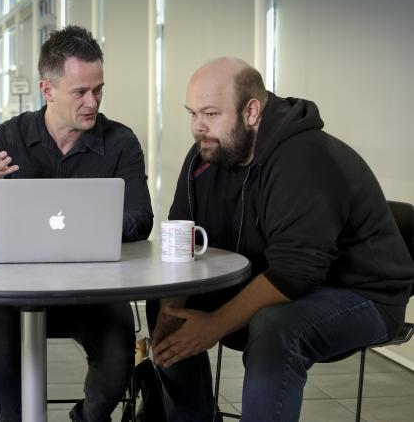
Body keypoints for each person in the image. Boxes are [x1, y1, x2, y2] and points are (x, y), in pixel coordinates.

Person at [149, 57, 414, 422]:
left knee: (275, 326)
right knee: (166, 305)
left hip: (363, 294)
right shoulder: (206, 156)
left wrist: (213, 326)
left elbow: (296, 272)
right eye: (192, 114)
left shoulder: (304, 158)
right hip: (277, 280)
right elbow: (183, 236)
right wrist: (168, 309)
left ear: (251, 111)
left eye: (210, 114)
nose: (198, 128)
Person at [0, 25, 154, 422]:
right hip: (16, 292)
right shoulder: (9, 137)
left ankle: (87, 417)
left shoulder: (121, 143)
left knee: (119, 344)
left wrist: (90, 224)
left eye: (98, 89)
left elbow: (141, 218)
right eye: (80, 92)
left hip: (94, 289)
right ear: (47, 90)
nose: (92, 102)